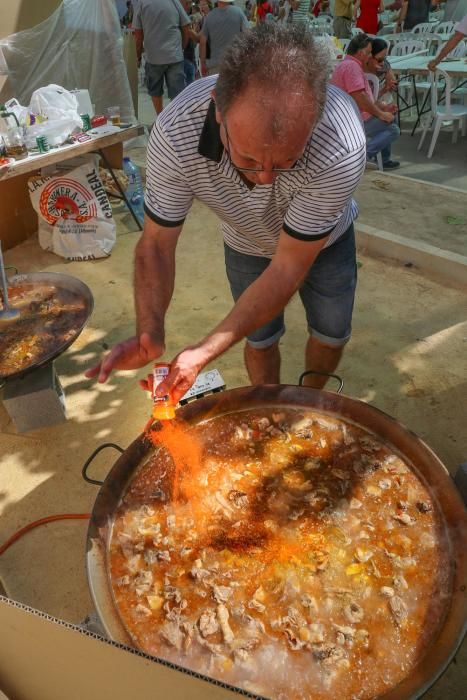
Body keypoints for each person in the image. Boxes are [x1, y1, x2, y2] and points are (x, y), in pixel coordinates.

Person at [86, 24, 366, 404]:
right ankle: (267, 403)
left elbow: (287, 267)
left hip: (325, 243)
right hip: (244, 239)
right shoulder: (177, 132)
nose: (266, 178)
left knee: (331, 332)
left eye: (287, 160)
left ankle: (305, 400)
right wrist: (150, 329)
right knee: (260, 336)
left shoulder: (341, 144)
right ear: (218, 107)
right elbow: (155, 243)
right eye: (249, 157)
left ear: (315, 116)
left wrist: (203, 351)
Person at [331, 32, 400, 169]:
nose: (369, 56)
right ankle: (359, 157)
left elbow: (365, 98)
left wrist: (383, 108)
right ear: (362, 52)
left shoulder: (349, 64)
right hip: (352, 120)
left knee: (391, 119)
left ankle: (380, 159)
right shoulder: (352, 67)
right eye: (369, 53)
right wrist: (381, 113)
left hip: (353, 116)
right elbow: (360, 98)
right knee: (393, 130)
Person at [133, 0, 191, 115]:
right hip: (174, 55)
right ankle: (176, 120)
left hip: (153, 56)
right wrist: (182, 47)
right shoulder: (174, 1)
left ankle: (160, 118)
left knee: (155, 90)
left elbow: (138, 35)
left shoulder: (142, 3)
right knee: (177, 92)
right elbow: (186, 27)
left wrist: (138, 56)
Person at [200, 0, 248, 76]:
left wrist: (203, 63)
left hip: (215, 66)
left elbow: (203, 42)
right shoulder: (238, 12)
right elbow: (247, 35)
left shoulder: (209, 16)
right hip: (235, 62)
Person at [181, 0, 200, 85]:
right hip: (186, 56)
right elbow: (189, 34)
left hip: (189, 55)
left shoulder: (186, 17)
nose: (190, 6)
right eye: (187, 3)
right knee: (189, 84)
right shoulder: (184, 18)